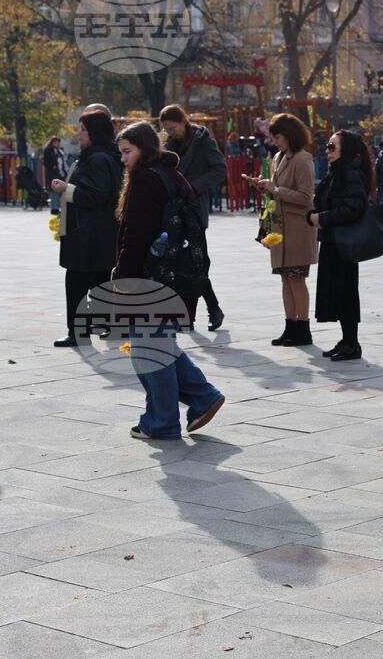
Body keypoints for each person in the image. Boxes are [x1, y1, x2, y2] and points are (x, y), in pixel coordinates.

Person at [112, 120, 225, 440]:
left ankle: (161, 421)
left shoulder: (146, 180)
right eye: (121, 152)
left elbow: (137, 237)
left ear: (144, 149)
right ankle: (202, 396)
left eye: (127, 151)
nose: (123, 159)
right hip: (177, 276)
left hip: (151, 279)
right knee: (158, 343)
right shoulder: (172, 174)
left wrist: (122, 276)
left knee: (149, 350)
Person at [50, 110, 122, 347]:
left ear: (95, 132)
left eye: (83, 129)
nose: (78, 133)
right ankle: (110, 326)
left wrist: (65, 189)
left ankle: (78, 333)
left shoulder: (97, 158)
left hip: (87, 233)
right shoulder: (103, 155)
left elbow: (96, 195)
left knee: (76, 283)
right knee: (100, 281)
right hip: (98, 232)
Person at [246, 113, 316, 347]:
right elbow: (277, 190)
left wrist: (275, 189)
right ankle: (290, 326)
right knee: (285, 280)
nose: (275, 142)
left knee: (296, 280)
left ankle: (303, 328)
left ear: (290, 135)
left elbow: (306, 197)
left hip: (297, 229)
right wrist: (263, 186)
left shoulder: (303, 159)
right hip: (280, 228)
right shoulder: (279, 157)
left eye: (278, 137)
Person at [159, 105, 229, 331]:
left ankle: (211, 308)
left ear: (183, 122)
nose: (170, 132)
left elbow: (220, 169)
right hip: (174, 209)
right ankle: (189, 314)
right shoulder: (170, 144)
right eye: (167, 129)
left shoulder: (202, 140)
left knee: (196, 262)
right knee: (180, 262)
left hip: (194, 209)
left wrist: (194, 186)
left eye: (173, 128)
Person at [308, 130, 373, 362]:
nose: (327, 151)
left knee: (345, 293)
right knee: (337, 292)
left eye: (332, 146)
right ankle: (347, 340)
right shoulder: (338, 171)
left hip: (343, 243)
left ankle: (352, 343)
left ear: (345, 150)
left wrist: (322, 218)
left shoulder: (350, 173)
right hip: (333, 240)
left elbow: (353, 208)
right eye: (327, 146)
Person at [43, 137, 66, 215]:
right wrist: (52, 165)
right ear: (53, 142)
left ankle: (58, 208)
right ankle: (54, 209)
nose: (59, 144)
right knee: (54, 192)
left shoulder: (60, 151)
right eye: (57, 142)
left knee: (60, 192)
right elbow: (46, 162)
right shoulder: (48, 150)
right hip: (52, 175)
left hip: (61, 174)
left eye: (59, 142)